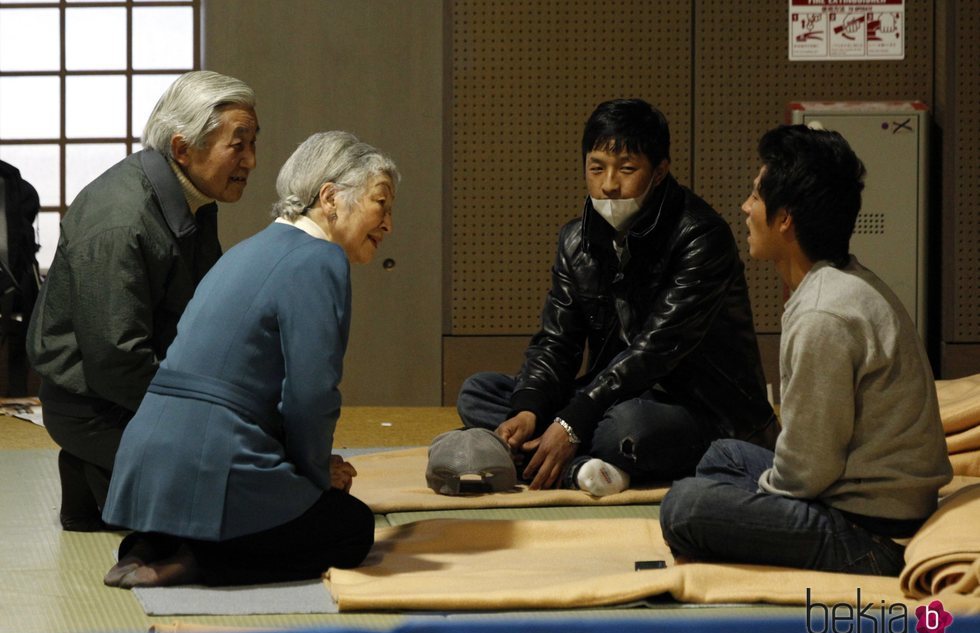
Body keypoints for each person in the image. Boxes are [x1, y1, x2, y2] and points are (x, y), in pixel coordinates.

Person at [100, 131, 398, 588]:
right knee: (352, 529)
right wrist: (317, 474)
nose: (388, 224)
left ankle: (151, 546)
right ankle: (200, 562)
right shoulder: (320, 260)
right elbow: (309, 396)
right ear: (331, 197)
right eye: (382, 203)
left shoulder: (247, 250)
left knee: (300, 503)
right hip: (216, 457)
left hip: (149, 461)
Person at [659, 125, 953, 575]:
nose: (745, 208)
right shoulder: (842, 280)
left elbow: (807, 473)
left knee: (683, 506)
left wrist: (754, 502)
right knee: (724, 454)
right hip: (850, 494)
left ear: (785, 218)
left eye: (756, 197)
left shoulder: (824, 315)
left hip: (870, 534)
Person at [456, 99, 777, 495]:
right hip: (614, 393)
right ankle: (576, 463)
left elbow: (654, 351)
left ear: (659, 172)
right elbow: (558, 340)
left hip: (702, 410)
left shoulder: (700, 237)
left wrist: (572, 422)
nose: (608, 184)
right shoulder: (576, 240)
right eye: (596, 168)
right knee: (480, 392)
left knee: (625, 430)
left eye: (626, 169)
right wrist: (531, 408)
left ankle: (556, 462)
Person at [26, 71, 258, 532]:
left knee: (255, 454)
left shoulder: (192, 198)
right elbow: (116, 360)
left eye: (254, 143)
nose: (251, 161)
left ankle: (101, 475)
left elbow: (205, 312)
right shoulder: (122, 219)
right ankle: (99, 467)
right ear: (182, 148)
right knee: (240, 487)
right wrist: (204, 418)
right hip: (97, 406)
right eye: (238, 144)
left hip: (136, 393)